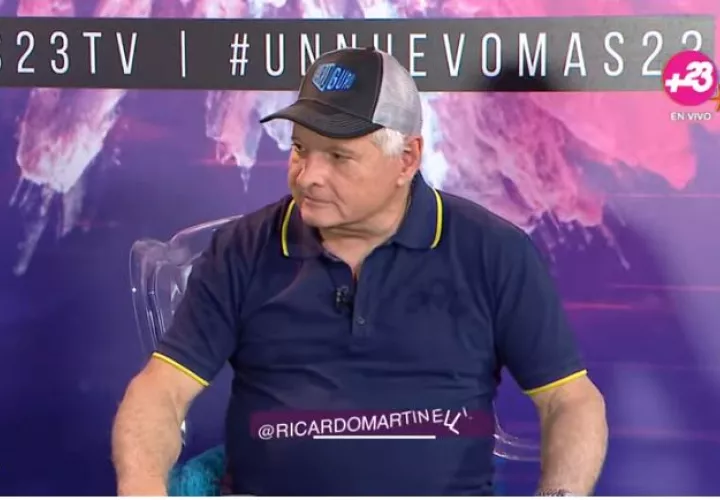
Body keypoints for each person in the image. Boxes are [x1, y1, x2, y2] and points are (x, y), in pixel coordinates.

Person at [112, 47, 608, 496]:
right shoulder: (243, 248)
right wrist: (142, 487)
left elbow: (570, 401)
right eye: (300, 148)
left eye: (338, 156)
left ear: (406, 159)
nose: (309, 176)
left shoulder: (493, 252)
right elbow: (160, 390)